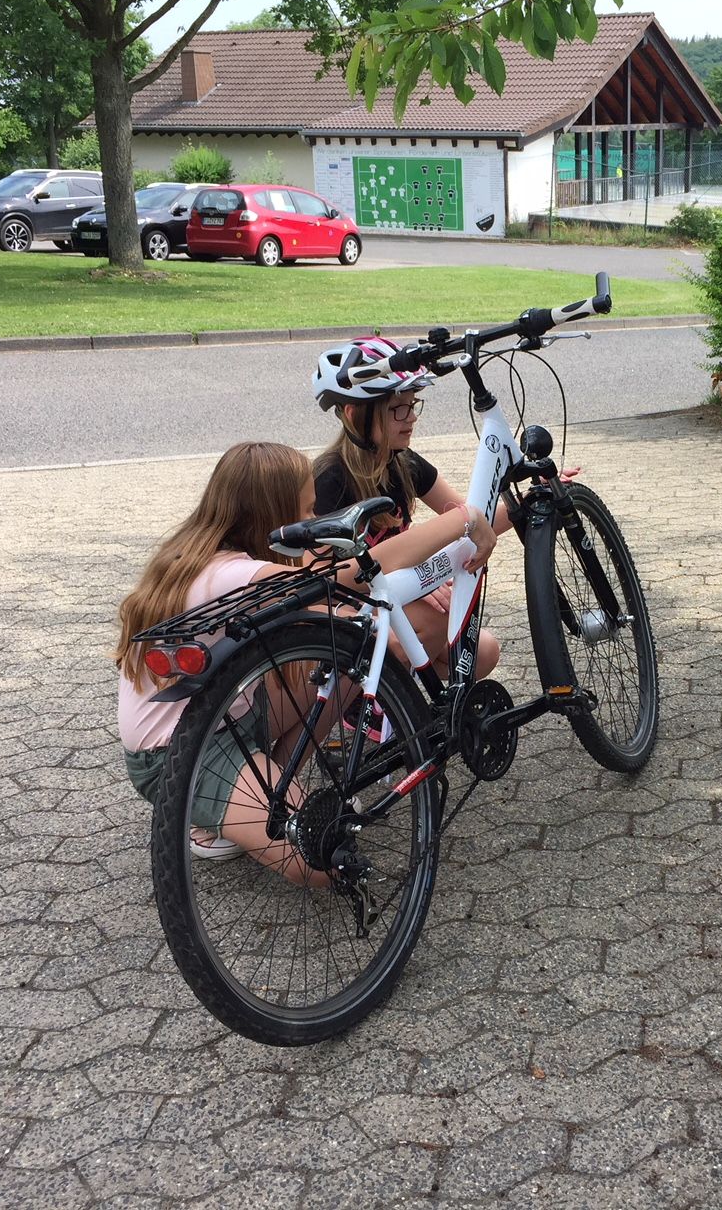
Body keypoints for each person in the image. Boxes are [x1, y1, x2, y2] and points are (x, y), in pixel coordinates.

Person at [114, 440, 495, 867]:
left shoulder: (201, 551)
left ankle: (271, 783)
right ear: (273, 517)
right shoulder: (236, 574)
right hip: (178, 753)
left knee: (351, 652)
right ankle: (214, 815)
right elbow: (353, 575)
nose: (314, 522)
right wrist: (462, 520)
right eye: (309, 511)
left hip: (234, 713)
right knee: (322, 860)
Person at [311, 337, 518, 678]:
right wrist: (413, 581)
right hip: (346, 610)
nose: (411, 419)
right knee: (436, 621)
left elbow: (473, 518)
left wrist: (525, 502)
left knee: (482, 652)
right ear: (354, 415)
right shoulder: (330, 479)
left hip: (392, 598)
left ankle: (407, 703)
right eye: (397, 409)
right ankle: (371, 713)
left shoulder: (403, 463)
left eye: (412, 405)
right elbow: (321, 581)